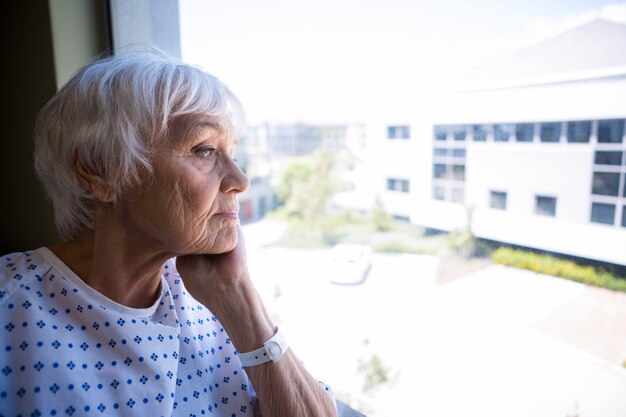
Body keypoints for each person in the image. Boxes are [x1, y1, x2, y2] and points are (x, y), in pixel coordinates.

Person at [0, 47, 338, 417]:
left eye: (232, 153)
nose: (240, 180)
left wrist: (238, 295)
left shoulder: (215, 300)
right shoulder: (11, 309)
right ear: (98, 170)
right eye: (205, 150)